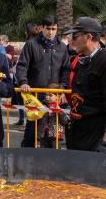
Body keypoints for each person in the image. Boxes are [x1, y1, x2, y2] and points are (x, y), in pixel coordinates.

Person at [62, 17, 106, 153]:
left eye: (75, 36)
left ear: (88, 37)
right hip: (77, 131)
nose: (71, 40)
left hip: (96, 134)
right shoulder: (80, 59)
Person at [15, 15, 70, 148]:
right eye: (48, 28)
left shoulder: (62, 47)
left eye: (53, 29)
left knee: (53, 133)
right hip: (36, 95)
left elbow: (66, 70)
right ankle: (26, 158)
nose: (50, 32)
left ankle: (51, 161)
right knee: (32, 130)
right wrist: (23, 82)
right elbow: (22, 65)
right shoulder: (31, 44)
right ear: (42, 28)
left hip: (55, 96)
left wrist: (62, 87)